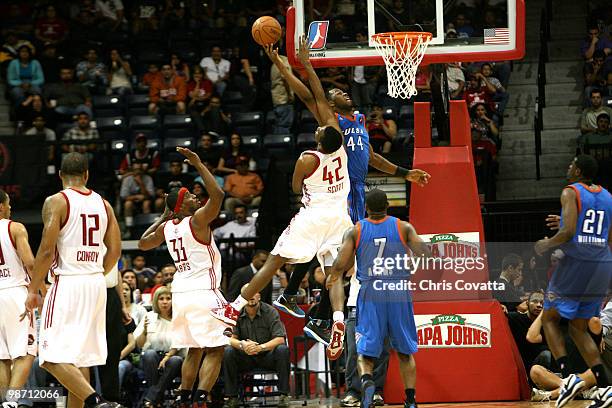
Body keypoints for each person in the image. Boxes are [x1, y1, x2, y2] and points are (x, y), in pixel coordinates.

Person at [262, 39, 430, 348]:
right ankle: (313, 311)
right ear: (330, 103)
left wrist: (407, 173)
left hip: (357, 196)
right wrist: (284, 64)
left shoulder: (361, 121)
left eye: (342, 91)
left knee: (343, 263)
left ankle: (312, 311)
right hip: (342, 194)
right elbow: (303, 92)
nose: (343, 92)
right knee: (343, 261)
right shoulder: (332, 122)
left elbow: (372, 158)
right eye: (336, 92)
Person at [210, 107, 353, 362]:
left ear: (320, 141)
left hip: (314, 217)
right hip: (341, 218)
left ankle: (234, 308)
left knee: (273, 260)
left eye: (319, 130)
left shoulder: (307, 158)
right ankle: (338, 320)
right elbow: (324, 111)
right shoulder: (341, 150)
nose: (318, 126)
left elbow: (296, 186)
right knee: (334, 275)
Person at [24, 152, 122, 408]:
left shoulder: (57, 201)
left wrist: (34, 289)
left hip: (68, 281)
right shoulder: (104, 204)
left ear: (60, 176)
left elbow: (46, 250)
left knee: (50, 356)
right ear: (87, 175)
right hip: (96, 282)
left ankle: (97, 401)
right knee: (79, 360)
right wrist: (98, 272)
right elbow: (115, 249)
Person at [138, 147, 229, 407]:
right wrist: (198, 163)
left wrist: (163, 217)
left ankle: (184, 397)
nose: (195, 196)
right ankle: (200, 399)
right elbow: (219, 194)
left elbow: (143, 244)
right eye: (189, 195)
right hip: (204, 292)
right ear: (181, 205)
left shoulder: (167, 227)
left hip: (181, 293)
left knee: (194, 349)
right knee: (215, 349)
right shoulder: (197, 221)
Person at [328, 188, 427, 408]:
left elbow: (340, 265)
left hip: (371, 291)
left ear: (366, 208)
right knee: (404, 352)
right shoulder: (403, 227)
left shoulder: (356, 231)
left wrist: (333, 276)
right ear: (388, 206)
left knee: (365, 352)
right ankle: (410, 400)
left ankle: (367, 383)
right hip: (398, 291)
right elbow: (426, 254)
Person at [534, 154, 612, 407]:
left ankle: (568, 376)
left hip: (577, 262)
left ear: (578, 170)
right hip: (601, 263)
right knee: (578, 328)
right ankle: (605, 386)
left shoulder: (570, 192)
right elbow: (607, 235)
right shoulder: (608, 196)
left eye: (571, 164)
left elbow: (567, 232)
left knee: (549, 318)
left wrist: (547, 243)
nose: (568, 167)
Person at [222, 284, 290, 408]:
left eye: (254, 292)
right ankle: (231, 397)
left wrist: (260, 347)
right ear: (242, 297)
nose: (251, 296)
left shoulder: (270, 311)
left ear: (259, 295)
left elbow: (280, 339)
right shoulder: (235, 312)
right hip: (245, 357)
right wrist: (243, 345)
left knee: (282, 350)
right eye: (247, 293)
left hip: (266, 356)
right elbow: (228, 338)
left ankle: (284, 395)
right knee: (228, 351)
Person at [0, 189, 36, 399]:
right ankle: (12, 403)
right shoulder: (15, 228)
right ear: (1, 206)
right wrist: (42, 291)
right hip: (14, 293)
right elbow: (31, 263)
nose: (11, 207)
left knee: (2, 357)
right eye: (8, 203)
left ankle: (5, 403)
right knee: (26, 353)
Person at [133, 287, 183, 407]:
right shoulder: (149, 316)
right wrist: (144, 331)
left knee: (176, 360)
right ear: (156, 301)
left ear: (173, 300)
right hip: (152, 358)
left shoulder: (178, 319)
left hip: (172, 357)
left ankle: (151, 399)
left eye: (168, 298)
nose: (165, 302)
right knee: (149, 354)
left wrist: (166, 358)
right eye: (161, 299)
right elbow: (139, 345)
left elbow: (180, 343)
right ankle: (155, 399)